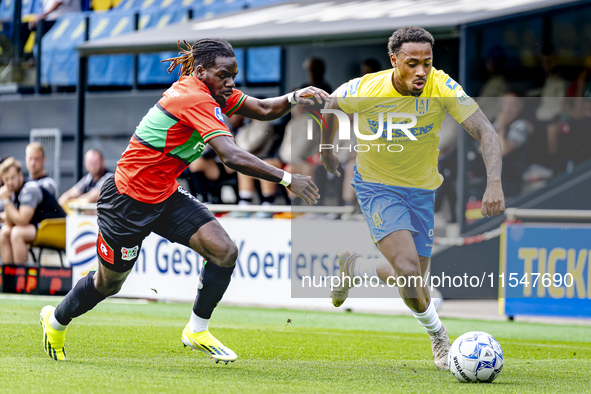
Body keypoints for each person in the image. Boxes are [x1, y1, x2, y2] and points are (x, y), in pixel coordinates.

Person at [39, 38, 327, 362]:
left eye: (233, 74)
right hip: (126, 200)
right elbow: (230, 155)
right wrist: (287, 178)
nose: (230, 82)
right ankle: (56, 319)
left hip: (163, 194)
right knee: (108, 284)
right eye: (224, 75)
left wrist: (294, 96)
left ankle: (197, 329)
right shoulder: (195, 98)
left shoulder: (212, 90)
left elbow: (262, 109)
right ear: (201, 71)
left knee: (224, 251)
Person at [320, 26, 504, 371]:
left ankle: (354, 268)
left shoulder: (442, 86)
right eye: (412, 63)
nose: (421, 71)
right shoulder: (367, 88)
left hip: (421, 190)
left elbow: (486, 130)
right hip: (376, 186)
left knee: (410, 276)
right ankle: (439, 337)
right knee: (408, 270)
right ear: (394, 61)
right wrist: (327, 149)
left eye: (428, 63)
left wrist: (494, 182)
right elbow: (330, 105)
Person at [0, 158, 66, 265]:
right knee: (5, 232)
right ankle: (8, 276)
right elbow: (11, 222)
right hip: (39, 226)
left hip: (55, 227)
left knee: (17, 233)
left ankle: (20, 277)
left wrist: (6, 202)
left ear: (20, 175)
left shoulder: (29, 189)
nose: (10, 182)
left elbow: (22, 221)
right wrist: (7, 201)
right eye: (6, 179)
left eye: (12, 178)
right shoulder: (12, 191)